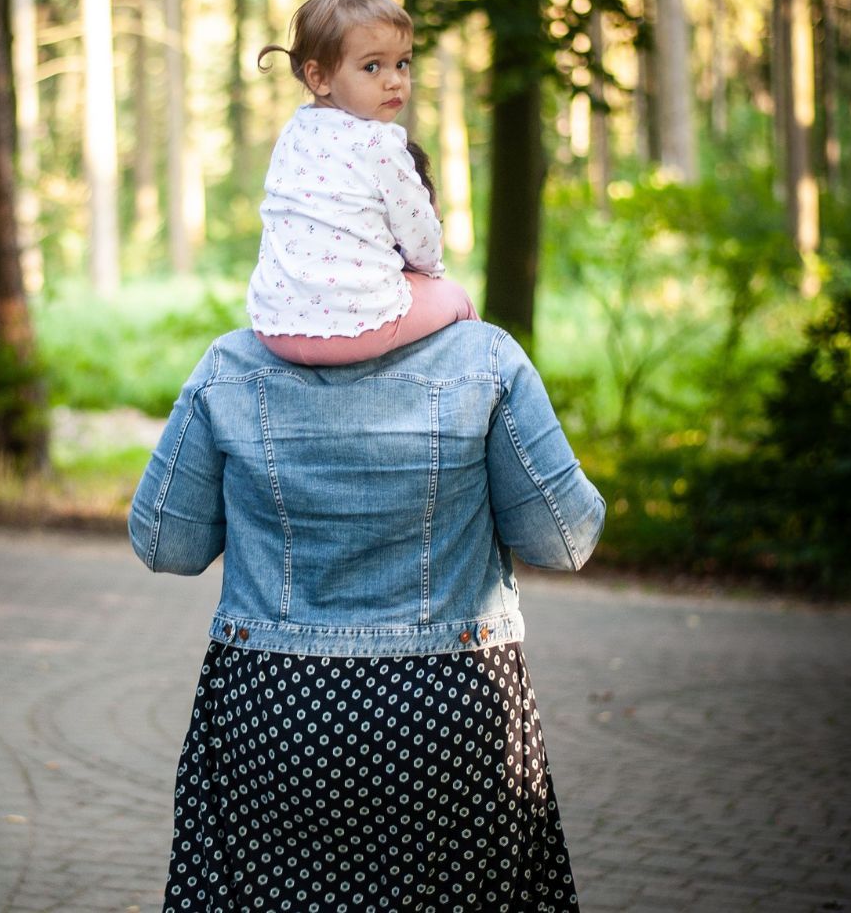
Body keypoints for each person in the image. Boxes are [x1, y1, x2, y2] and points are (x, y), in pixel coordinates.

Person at [129, 317, 606, 910]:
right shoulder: (485, 360)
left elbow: (165, 543)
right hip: (445, 714)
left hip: (276, 715)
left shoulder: (232, 366)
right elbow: (565, 541)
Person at [247, 0, 477, 367]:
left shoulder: (293, 135)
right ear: (318, 77)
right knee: (456, 299)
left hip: (274, 325)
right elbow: (418, 231)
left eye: (402, 63)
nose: (394, 81)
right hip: (357, 327)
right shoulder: (380, 141)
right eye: (373, 66)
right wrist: (431, 272)